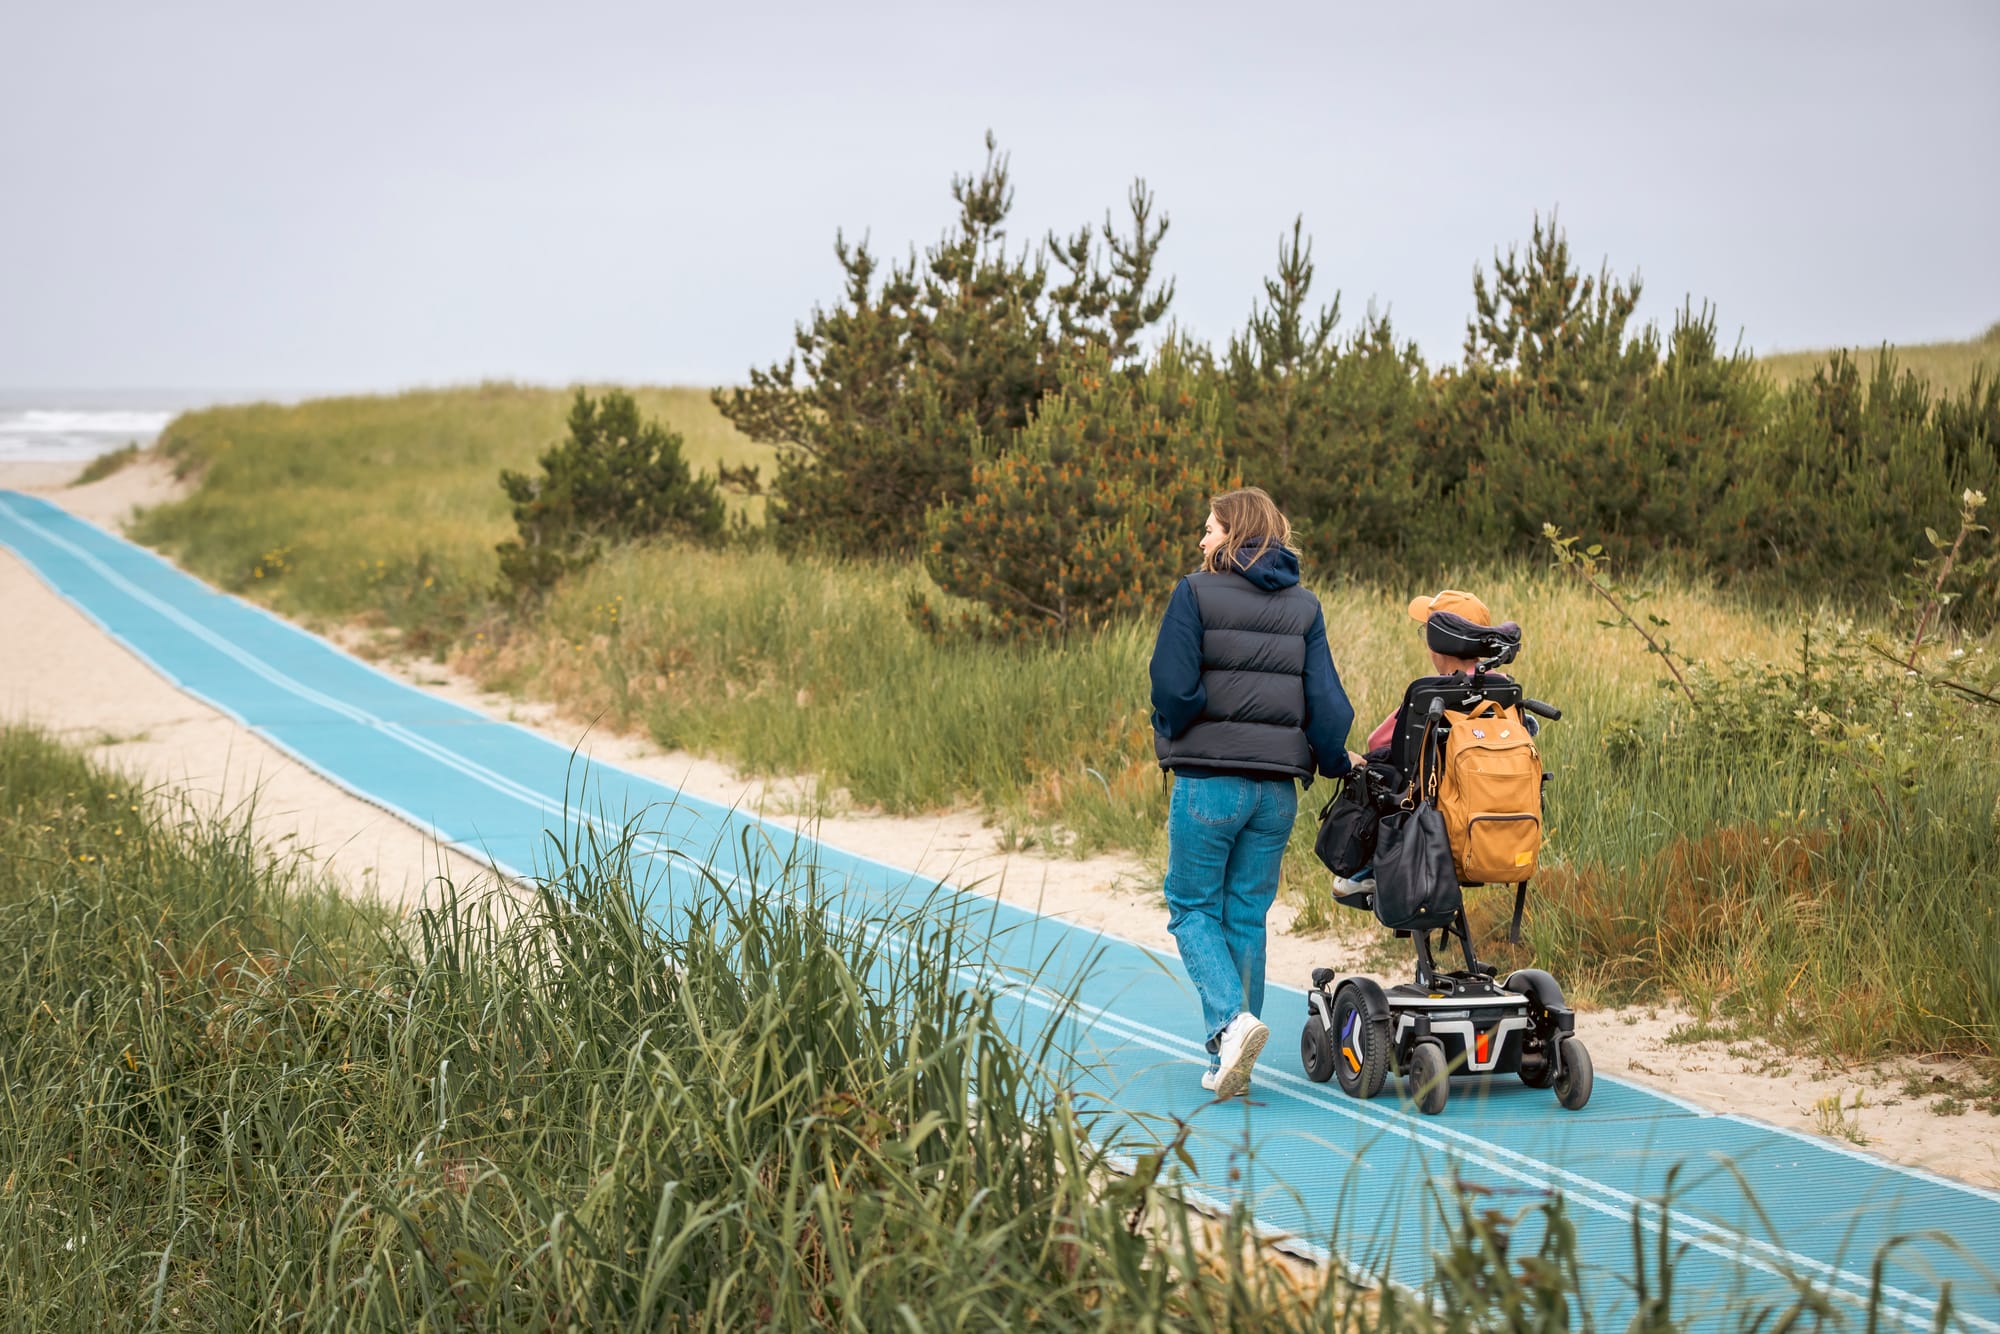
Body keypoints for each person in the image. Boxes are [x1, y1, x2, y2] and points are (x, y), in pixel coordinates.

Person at [1149, 488, 1357, 1099]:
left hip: (1210, 781)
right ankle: (1230, 1059)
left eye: (1209, 528)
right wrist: (1326, 757)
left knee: (1190, 906)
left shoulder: (1193, 592)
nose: (1202, 539)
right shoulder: (1304, 606)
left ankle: (1231, 1024)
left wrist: (1175, 726)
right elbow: (1326, 703)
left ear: (1233, 533)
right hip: (1275, 794)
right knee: (1245, 913)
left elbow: (1172, 686)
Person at [1334, 588, 1531, 900]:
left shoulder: (1430, 693)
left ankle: (1367, 869)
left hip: (1432, 808)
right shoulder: (1505, 687)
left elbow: (1379, 741)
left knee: (1374, 764)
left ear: (1439, 642)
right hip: (1490, 803)